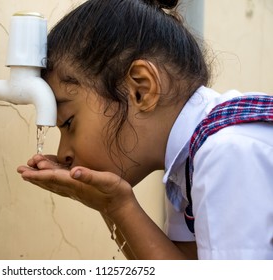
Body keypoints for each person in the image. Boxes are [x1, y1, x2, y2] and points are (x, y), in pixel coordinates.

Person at [17, 0, 273, 259]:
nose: (62, 153)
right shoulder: (186, 160)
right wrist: (113, 205)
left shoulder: (226, 153)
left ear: (141, 89)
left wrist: (116, 205)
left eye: (69, 123)